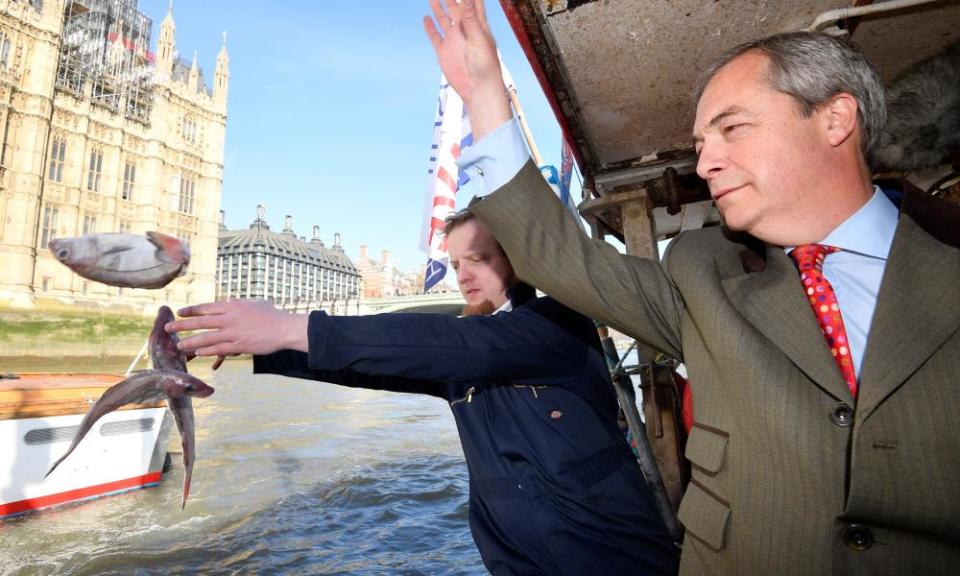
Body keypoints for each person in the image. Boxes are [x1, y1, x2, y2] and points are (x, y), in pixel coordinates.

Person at [423, 1, 960, 575]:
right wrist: (483, 91)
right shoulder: (702, 274)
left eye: (732, 128)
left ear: (835, 119)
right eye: (703, 144)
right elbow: (560, 258)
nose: (706, 164)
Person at [167, 211, 680, 575]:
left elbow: (462, 343)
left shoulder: (555, 326)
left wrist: (290, 326)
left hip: (612, 558)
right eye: (457, 263)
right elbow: (376, 363)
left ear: (518, 260)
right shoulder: (463, 353)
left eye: (479, 258)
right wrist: (254, 346)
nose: (464, 276)